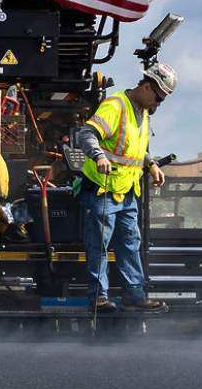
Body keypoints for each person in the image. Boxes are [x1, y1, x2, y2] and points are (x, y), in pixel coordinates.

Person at [75, 64, 175, 314]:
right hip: (102, 190)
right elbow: (87, 134)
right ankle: (98, 297)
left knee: (130, 244)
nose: (159, 103)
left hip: (127, 191)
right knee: (99, 245)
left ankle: (134, 295)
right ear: (145, 86)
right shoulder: (115, 105)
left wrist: (151, 164)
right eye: (158, 97)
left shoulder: (143, 111)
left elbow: (135, 148)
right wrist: (98, 156)